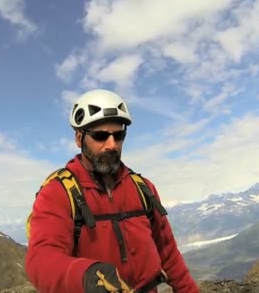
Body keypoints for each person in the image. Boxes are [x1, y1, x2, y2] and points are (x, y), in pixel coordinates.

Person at [25, 89, 200, 293]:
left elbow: (168, 253)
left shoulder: (143, 189)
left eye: (118, 135)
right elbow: (41, 259)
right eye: (100, 136)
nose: (112, 145)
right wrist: (85, 276)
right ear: (79, 138)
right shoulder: (58, 193)